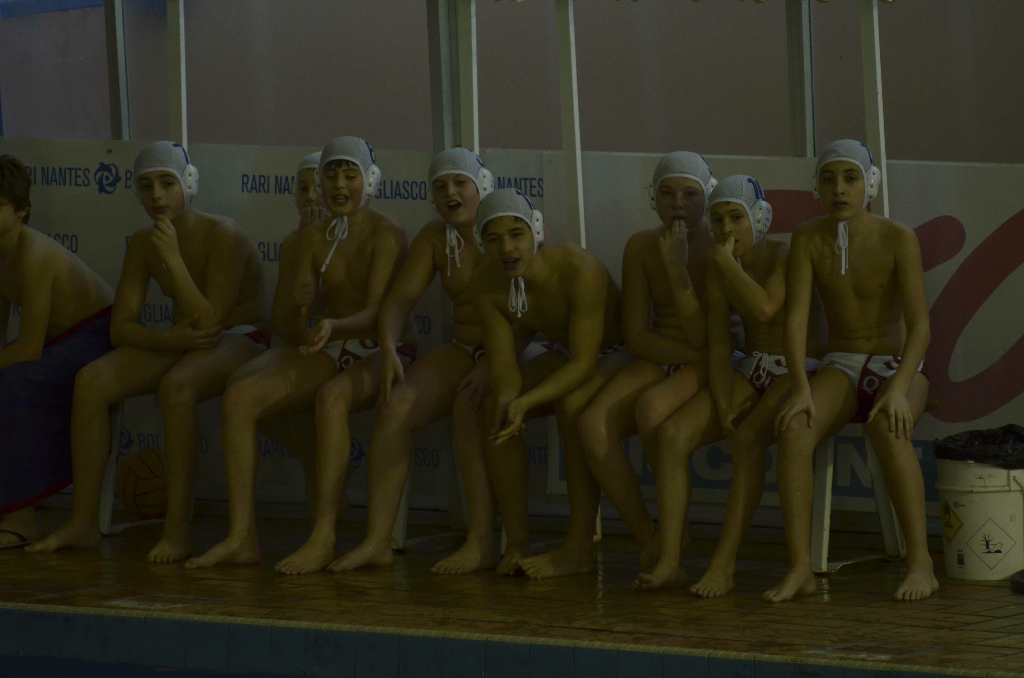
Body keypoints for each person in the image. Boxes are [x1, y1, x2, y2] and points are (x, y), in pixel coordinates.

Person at [28, 142, 270, 562]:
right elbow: (121, 328)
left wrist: (173, 260)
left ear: (188, 184)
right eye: (146, 186)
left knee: (177, 385)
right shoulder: (143, 243)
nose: (156, 196)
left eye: (166, 183)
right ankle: (84, 522)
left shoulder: (224, 235)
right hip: (186, 337)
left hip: (240, 336)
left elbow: (211, 321)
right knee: (91, 381)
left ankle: (177, 528)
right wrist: (172, 340)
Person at [185, 136, 412, 572]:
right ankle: (242, 536)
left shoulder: (388, 233)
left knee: (330, 398)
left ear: (370, 181)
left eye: (349, 175)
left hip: (381, 345)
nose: (338, 186)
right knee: (239, 398)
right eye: (331, 176)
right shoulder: (309, 239)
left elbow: (380, 313)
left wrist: (333, 325)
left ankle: (323, 536)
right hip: (333, 345)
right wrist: (301, 305)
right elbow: (289, 326)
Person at [632, 175, 825, 595]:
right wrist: (721, 403)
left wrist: (721, 262)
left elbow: (765, 308)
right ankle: (671, 561)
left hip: (798, 369)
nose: (725, 230)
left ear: (760, 218)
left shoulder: (783, 254)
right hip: (750, 367)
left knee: (746, 441)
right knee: (671, 435)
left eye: (736, 218)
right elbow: (720, 346)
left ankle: (723, 565)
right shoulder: (720, 268)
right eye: (717, 220)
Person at [767, 140, 937, 603]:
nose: (839, 189)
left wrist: (899, 387)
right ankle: (800, 567)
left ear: (869, 184)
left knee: (889, 427)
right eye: (829, 180)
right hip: (840, 364)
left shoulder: (898, 237)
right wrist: (801, 388)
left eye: (850, 179)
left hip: (895, 364)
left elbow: (921, 326)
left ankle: (921, 562)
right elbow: (795, 320)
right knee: (794, 430)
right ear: (817, 188)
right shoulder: (808, 238)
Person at [328, 148, 508, 575]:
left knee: (468, 405)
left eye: (460, 183)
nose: (450, 194)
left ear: (482, 186)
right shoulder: (434, 238)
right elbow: (398, 301)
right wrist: (389, 345)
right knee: (395, 407)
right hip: (464, 349)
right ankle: (378, 541)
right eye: (440, 187)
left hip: (515, 350)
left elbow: (538, 312)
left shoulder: (511, 226)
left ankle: (481, 541)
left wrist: (498, 363)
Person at [472, 188, 629, 579]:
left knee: (571, 405)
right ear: (482, 244)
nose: (507, 249)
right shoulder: (486, 283)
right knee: (496, 408)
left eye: (516, 235)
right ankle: (517, 543)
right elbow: (503, 365)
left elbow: (583, 364)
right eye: (494, 239)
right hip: (569, 353)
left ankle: (578, 547)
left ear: (537, 232)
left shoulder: (579, 268)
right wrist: (510, 400)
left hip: (616, 353)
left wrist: (526, 402)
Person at [577, 151, 716, 569]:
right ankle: (651, 538)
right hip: (667, 352)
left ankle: (674, 531)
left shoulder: (720, 247)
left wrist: (677, 268)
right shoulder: (640, 245)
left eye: (690, 194)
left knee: (652, 409)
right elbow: (636, 335)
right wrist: (688, 354)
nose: (678, 204)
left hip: (711, 358)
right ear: (652, 197)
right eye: (667, 193)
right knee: (592, 424)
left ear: (707, 197)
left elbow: (712, 340)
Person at [0, 155, 115, 548]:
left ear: (21, 209)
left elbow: (29, 348)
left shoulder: (33, 253)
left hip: (99, 334)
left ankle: (22, 518)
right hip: (60, 341)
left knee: (13, 383)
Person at [228, 151, 329, 522]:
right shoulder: (292, 243)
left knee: (283, 392)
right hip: (305, 342)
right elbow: (284, 325)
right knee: (237, 384)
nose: (311, 197)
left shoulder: (357, 237)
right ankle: (319, 466)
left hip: (342, 345)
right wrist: (304, 250)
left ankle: (321, 481)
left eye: (318, 187)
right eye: (303, 189)